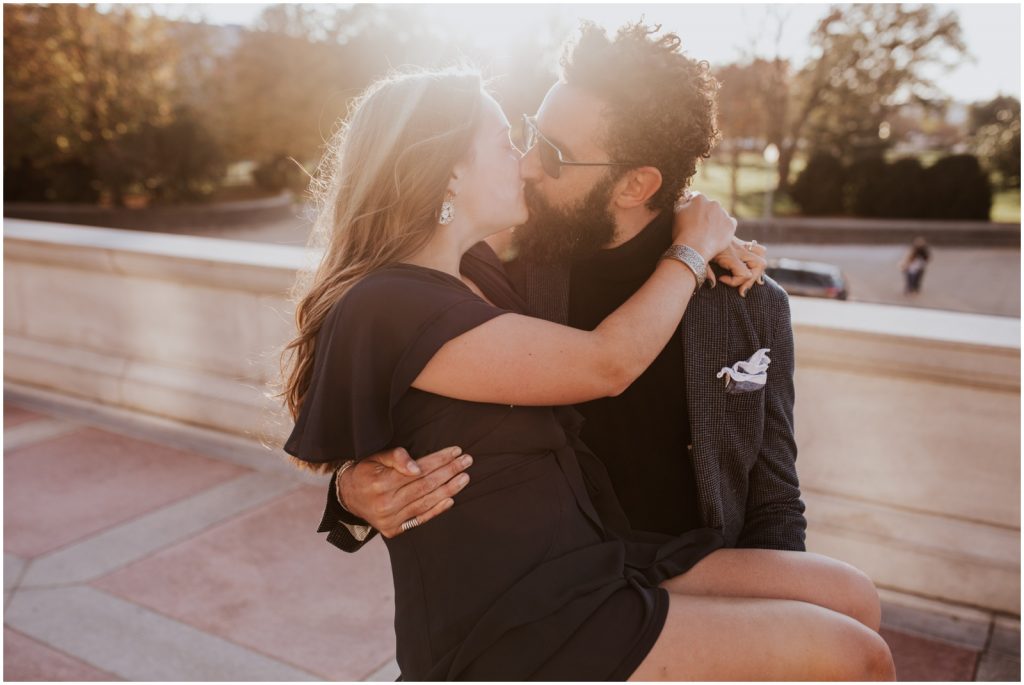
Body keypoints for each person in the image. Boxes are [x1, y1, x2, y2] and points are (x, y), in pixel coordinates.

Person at [279, 61, 894, 679]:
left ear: (636, 185)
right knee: (857, 659)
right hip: (544, 600)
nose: (527, 163)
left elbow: (775, 495)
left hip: (634, 552)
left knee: (854, 599)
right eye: (520, 138)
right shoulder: (510, 274)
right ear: (446, 172)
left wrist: (768, 643)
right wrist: (354, 491)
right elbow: (599, 363)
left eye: (549, 151)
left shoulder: (744, 302)